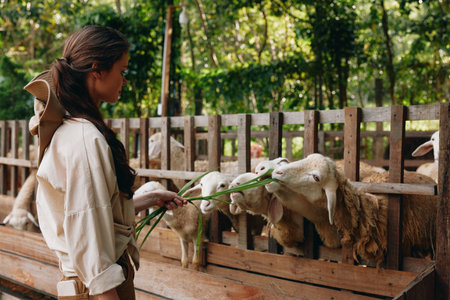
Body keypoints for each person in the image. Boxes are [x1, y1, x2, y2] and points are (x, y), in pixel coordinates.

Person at [24, 25, 187, 300]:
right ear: (97, 70)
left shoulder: (68, 129)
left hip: (82, 284)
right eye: (122, 72)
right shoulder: (85, 138)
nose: (125, 81)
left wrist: (149, 199)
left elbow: (87, 214)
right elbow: (90, 239)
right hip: (99, 289)